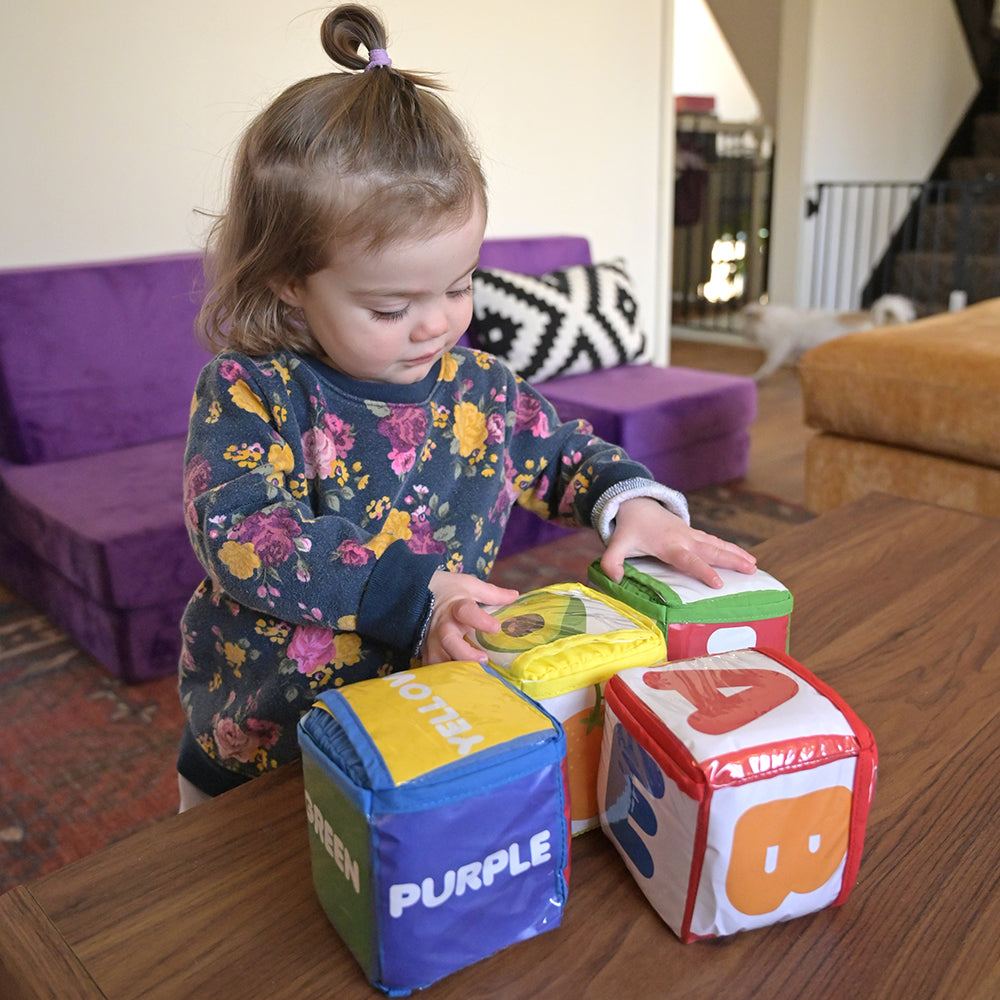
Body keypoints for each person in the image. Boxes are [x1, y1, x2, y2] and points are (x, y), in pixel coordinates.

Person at [176, 3, 757, 810]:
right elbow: (242, 535)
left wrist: (633, 505)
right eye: (390, 307)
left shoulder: (480, 386)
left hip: (424, 725)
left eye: (459, 285)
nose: (437, 322)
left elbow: (559, 455)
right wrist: (418, 595)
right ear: (288, 281)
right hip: (262, 754)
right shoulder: (252, 392)